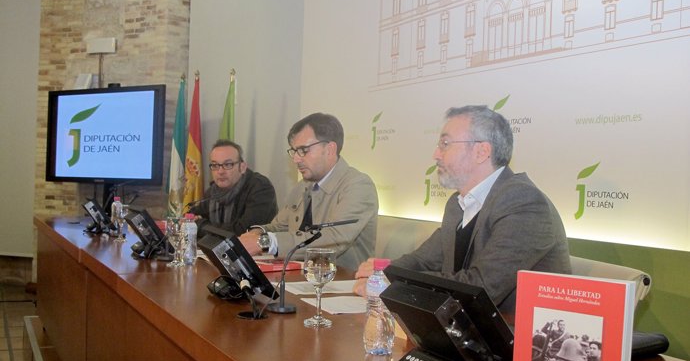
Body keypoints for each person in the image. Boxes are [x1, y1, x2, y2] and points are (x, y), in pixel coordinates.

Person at [354, 105, 571, 315]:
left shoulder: (522, 201)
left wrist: (394, 286)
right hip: (468, 328)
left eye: (445, 144)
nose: (436, 154)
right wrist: (383, 273)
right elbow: (423, 260)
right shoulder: (458, 203)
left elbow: (480, 288)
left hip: (516, 337)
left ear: (481, 151)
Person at [239, 113, 378, 271]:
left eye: (303, 150)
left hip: (341, 282)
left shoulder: (358, 185)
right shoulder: (302, 186)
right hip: (299, 277)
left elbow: (334, 238)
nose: (296, 159)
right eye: (294, 151)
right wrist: (258, 233)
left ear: (330, 149)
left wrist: (266, 242)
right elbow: (278, 227)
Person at [189, 139, 278, 237]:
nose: (220, 171)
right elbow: (190, 218)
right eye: (215, 165)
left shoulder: (260, 188)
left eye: (228, 164)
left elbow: (243, 231)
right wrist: (193, 222)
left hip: (257, 251)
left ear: (242, 167)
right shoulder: (212, 192)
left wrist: (201, 226)